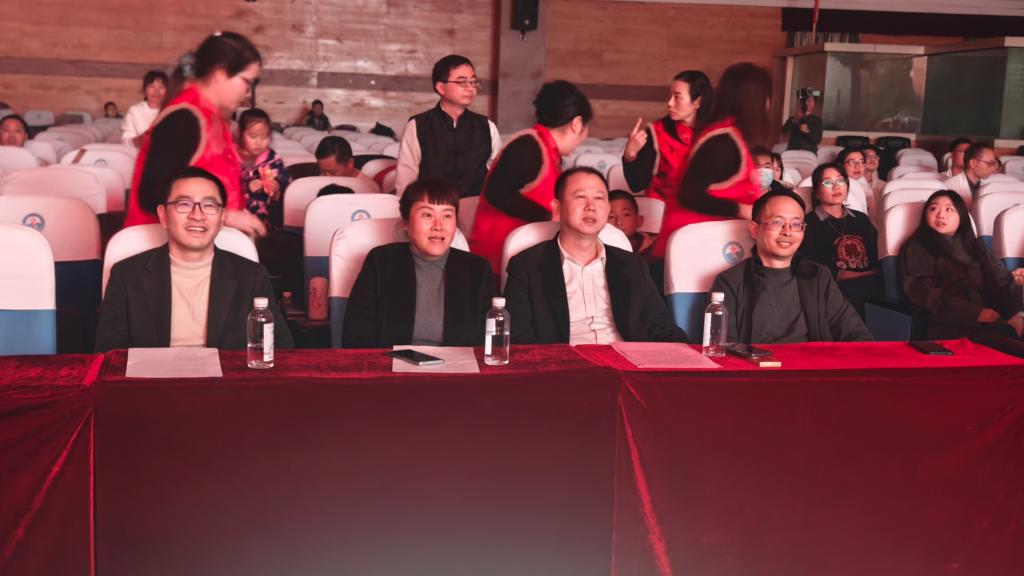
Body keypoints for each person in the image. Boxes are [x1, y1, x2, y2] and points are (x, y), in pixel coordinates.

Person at [95, 167, 293, 351]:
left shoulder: (252, 276)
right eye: (184, 204)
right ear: (163, 215)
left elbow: (280, 348)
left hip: (226, 378)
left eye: (209, 205)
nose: (197, 215)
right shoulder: (126, 275)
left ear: (222, 218)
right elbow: (109, 354)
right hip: (151, 377)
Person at [503, 167, 689, 345]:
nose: (591, 206)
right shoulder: (527, 266)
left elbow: (660, 326)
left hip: (626, 359)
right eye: (580, 197)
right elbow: (519, 339)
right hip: (566, 362)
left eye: (599, 198)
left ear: (607, 209)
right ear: (557, 208)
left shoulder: (633, 265)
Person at [126, 32, 265, 239]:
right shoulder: (184, 118)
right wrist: (226, 216)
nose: (248, 93)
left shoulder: (210, 116)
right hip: (165, 248)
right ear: (220, 73)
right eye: (248, 82)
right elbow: (151, 197)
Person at [343, 179, 494, 348]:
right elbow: (356, 336)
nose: (438, 226)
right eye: (427, 215)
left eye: (447, 216)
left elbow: (489, 344)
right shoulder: (380, 262)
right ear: (406, 222)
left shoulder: (478, 270)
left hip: (458, 364)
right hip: (391, 363)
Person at [711, 188, 872, 344]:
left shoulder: (818, 276)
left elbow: (855, 333)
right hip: (758, 363)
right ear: (755, 230)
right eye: (777, 222)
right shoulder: (730, 282)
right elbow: (723, 349)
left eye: (796, 224)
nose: (787, 232)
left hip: (812, 361)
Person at [469, 80, 592, 273]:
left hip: (521, 262)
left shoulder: (547, 150)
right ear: (576, 124)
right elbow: (497, 194)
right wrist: (549, 215)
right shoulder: (528, 146)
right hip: (495, 263)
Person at [651, 63, 771, 261]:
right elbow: (689, 195)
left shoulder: (731, 135)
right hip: (693, 248)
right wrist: (742, 209)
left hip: (712, 244)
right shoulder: (723, 141)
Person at [899, 189, 1024, 340]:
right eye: (933, 209)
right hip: (952, 325)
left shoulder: (975, 245)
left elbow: (1002, 279)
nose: (940, 215)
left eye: (949, 209)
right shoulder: (917, 248)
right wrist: (977, 313)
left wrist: (1016, 311)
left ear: (962, 216)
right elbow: (928, 296)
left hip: (992, 319)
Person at [395, 54, 501, 198]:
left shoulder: (487, 127)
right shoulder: (418, 125)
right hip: (432, 206)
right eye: (462, 82)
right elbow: (405, 179)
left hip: (474, 207)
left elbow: (497, 177)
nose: (470, 88)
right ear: (441, 88)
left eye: (473, 82)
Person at [800, 162, 883, 317]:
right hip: (834, 291)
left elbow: (877, 253)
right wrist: (861, 275)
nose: (836, 187)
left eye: (840, 181)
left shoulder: (861, 219)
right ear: (816, 192)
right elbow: (815, 267)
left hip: (870, 284)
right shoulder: (808, 224)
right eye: (828, 183)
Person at [621, 70, 713, 200]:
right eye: (670, 96)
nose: (670, 103)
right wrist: (630, 156)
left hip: (704, 207)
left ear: (697, 102)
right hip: (663, 207)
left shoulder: (715, 133)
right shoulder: (657, 133)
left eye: (677, 97)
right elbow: (637, 185)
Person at [121, 70, 168, 148]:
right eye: (152, 86)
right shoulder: (135, 110)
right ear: (144, 90)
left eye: (162, 87)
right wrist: (139, 140)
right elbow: (125, 141)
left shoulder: (173, 110)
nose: (157, 91)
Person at [314, 135, 379, 190]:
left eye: (333, 172)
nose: (327, 178)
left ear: (350, 163)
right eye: (323, 172)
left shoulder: (369, 189)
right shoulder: (317, 182)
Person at [608, 190, 655, 255]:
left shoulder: (651, 248)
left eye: (626, 215)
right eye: (611, 216)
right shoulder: (599, 249)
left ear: (638, 220)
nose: (619, 222)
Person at [835, 148, 870, 214]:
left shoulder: (862, 181)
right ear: (840, 165)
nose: (857, 166)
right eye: (852, 162)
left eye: (861, 162)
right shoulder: (839, 187)